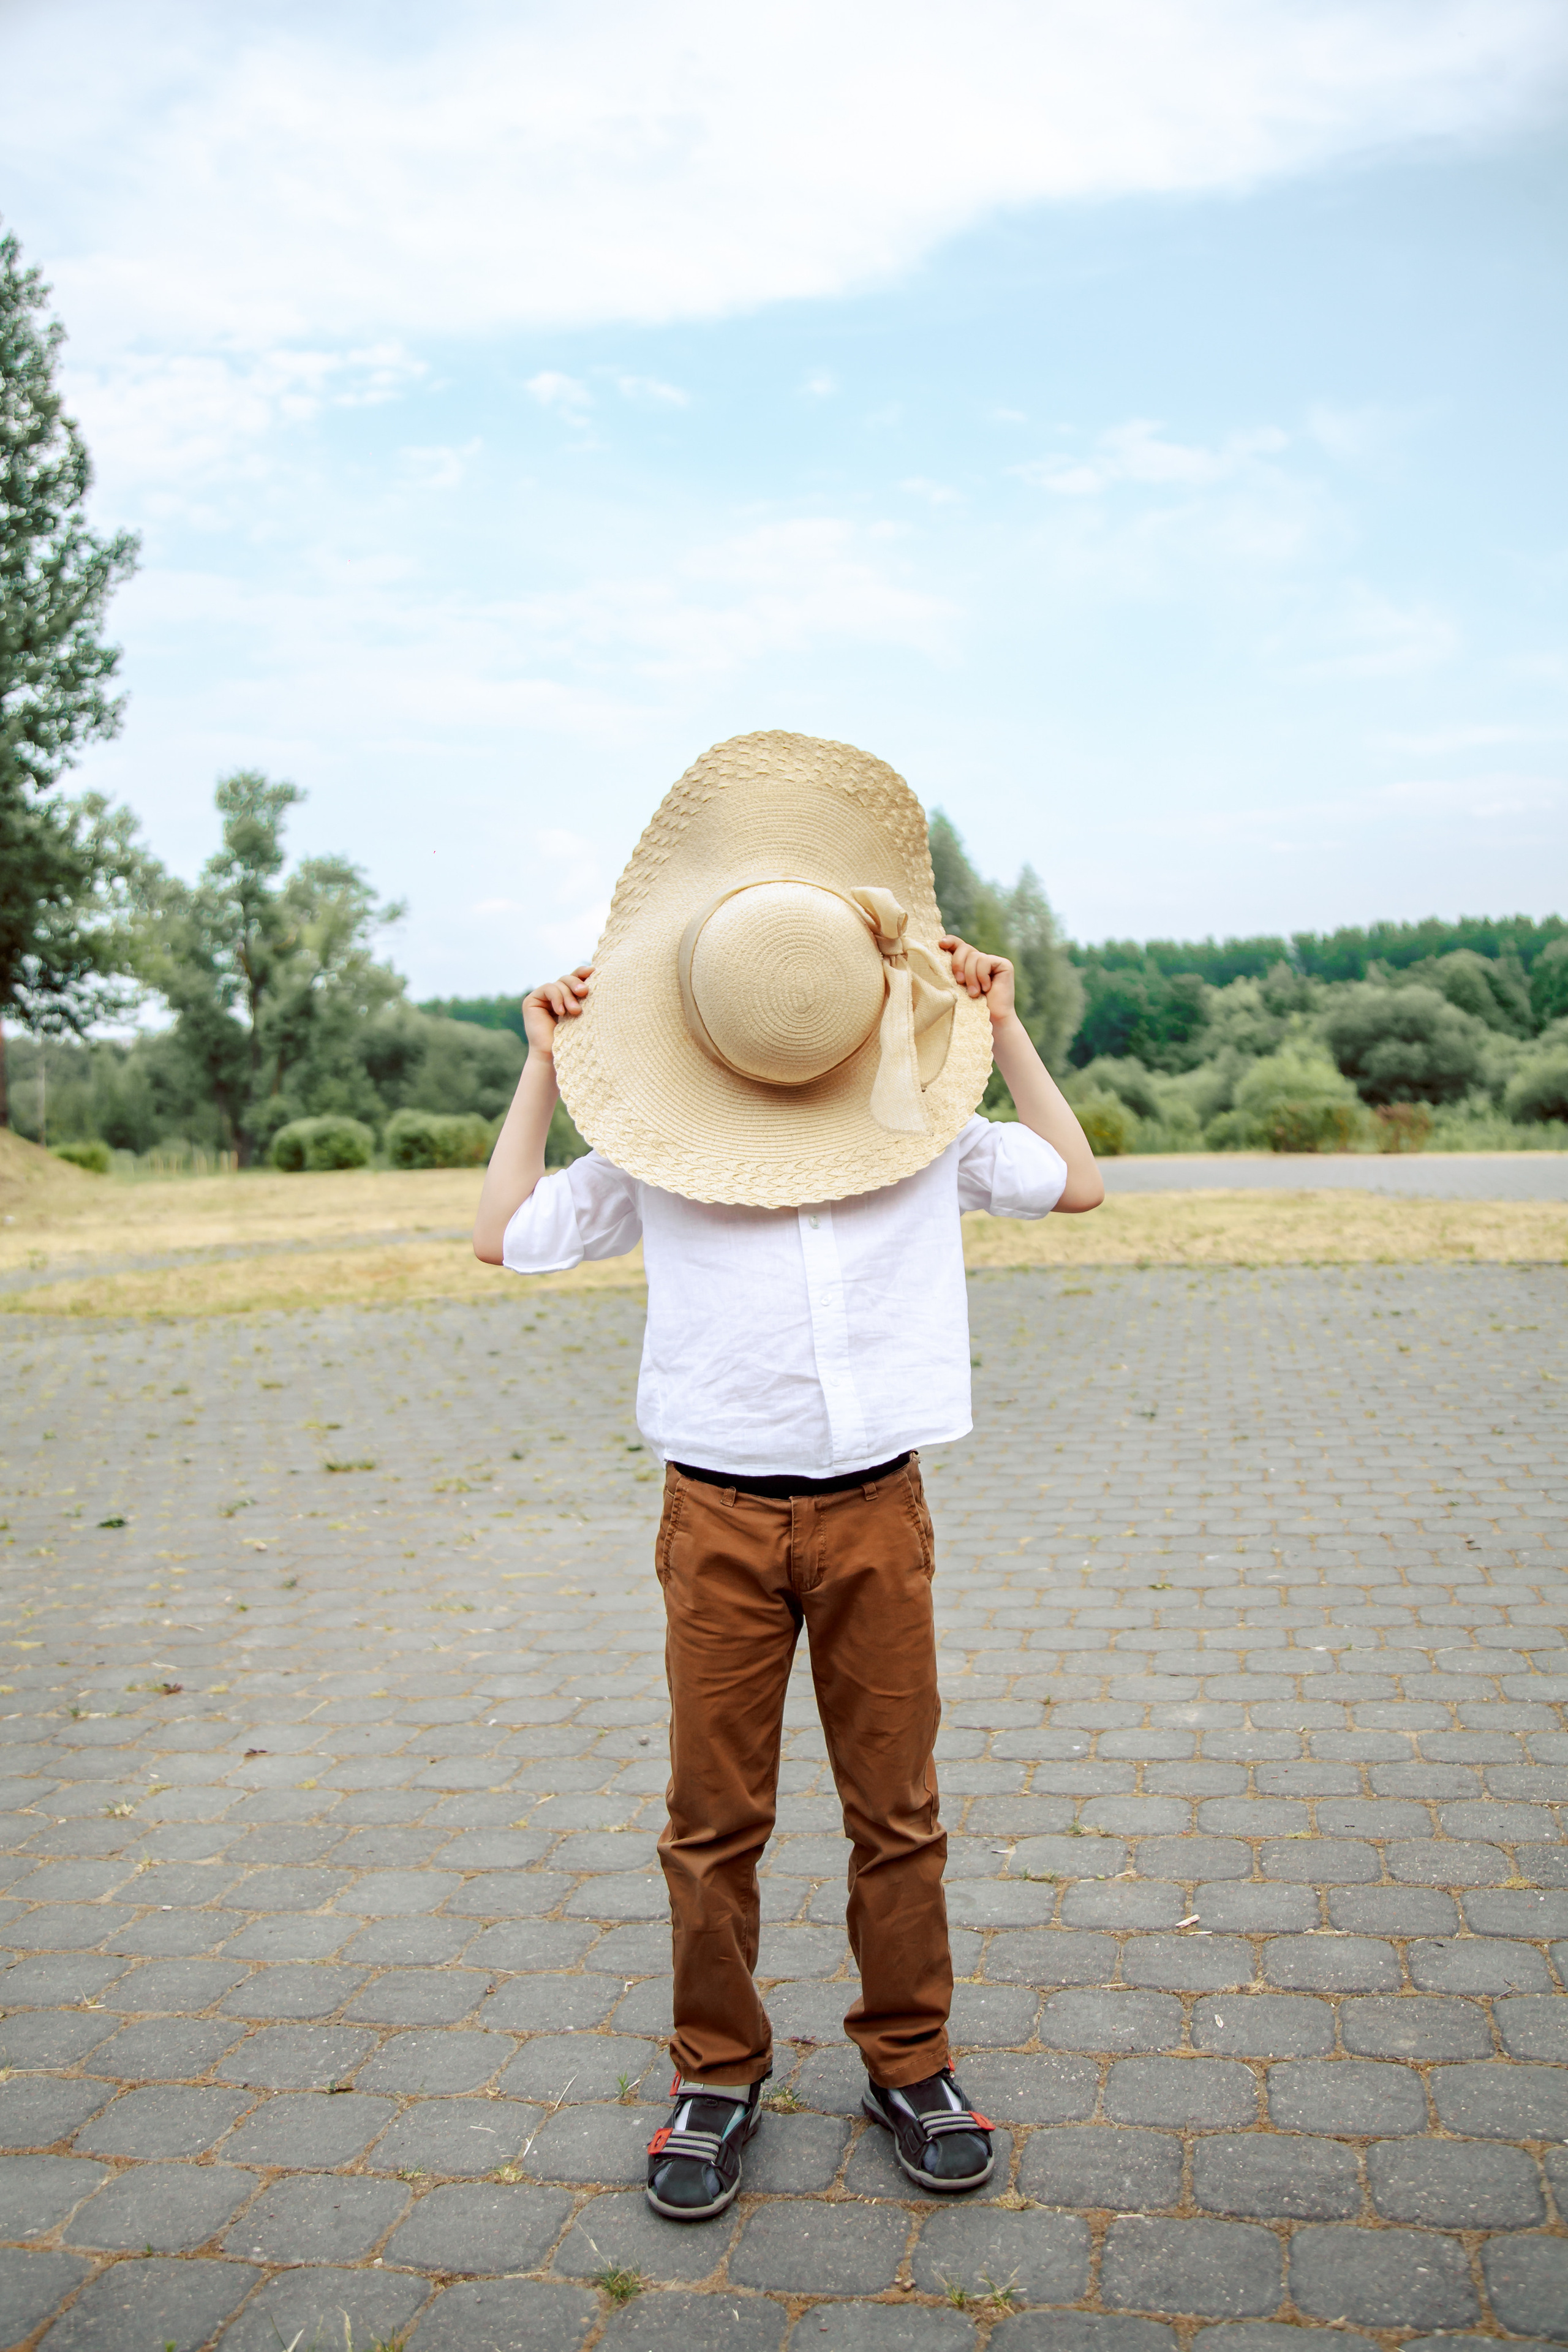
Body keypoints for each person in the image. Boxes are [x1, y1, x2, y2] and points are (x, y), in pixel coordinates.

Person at [475, 731, 1101, 2223]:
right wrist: (542, 1068)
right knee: (713, 1819)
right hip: (716, 1519)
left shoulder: (922, 1126)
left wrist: (998, 1034)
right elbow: (504, 1233)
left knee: (899, 1810)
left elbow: (1073, 1180)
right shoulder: (651, 1154)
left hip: (877, 1507)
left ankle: (911, 2058)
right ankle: (716, 2068)